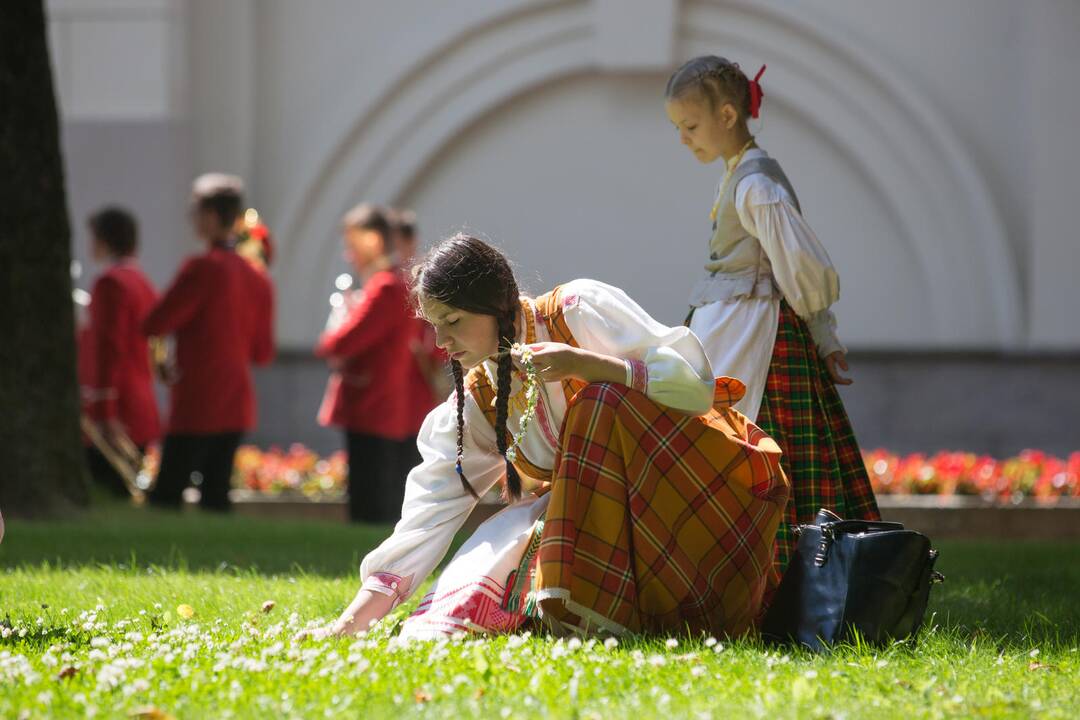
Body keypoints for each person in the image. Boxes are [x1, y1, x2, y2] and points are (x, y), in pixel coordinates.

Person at [306, 234, 788, 640]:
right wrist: (351, 621)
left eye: (453, 322)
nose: (443, 344)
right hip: (607, 527)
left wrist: (589, 366)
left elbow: (696, 389)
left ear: (496, 306)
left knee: (600, 405)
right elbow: (430, 509)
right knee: (483, 571)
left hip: (690, 494)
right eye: (435, 327)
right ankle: (609, 611)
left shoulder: (576, 311)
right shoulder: (480, 397)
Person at [664, 56, 880, 581]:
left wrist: (824, 335)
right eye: (678, 129)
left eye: (690, 126)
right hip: (731, 326)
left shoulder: (757, 184)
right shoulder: (739, 175)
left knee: (756, 444)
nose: (685, 139)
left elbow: (799, 267)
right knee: (725, 442)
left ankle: (781, 581)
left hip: (757, 336)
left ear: (729, 114)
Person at [143, 173, 275, 511]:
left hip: (198, 397)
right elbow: (262, 353)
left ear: (211, 217)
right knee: (216, 497)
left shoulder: (202, 267)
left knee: (167, 495)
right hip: (236, 398)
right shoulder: (258, 277)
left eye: (195, 212)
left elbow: (155, 322)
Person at [315, 204, 414, 523]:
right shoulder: (388, 284)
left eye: (352, 244)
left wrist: (340, 321)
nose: (349, 255)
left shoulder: (385, 286)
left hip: (372, 404)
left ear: (372, 240)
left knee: (370, 505)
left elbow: (338, 343)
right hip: (377, 403)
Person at [80, 206, 161, 496]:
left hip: (119, 402)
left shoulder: (110, 282)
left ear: (103, 240)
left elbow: (108, 348)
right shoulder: (142, 281)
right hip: (140, 398)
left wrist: (104, 409)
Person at [389, 209, 448, 486]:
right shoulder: (388, 278)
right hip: (394, 379)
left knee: (414, 447)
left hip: (417, 380)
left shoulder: (420, 278)